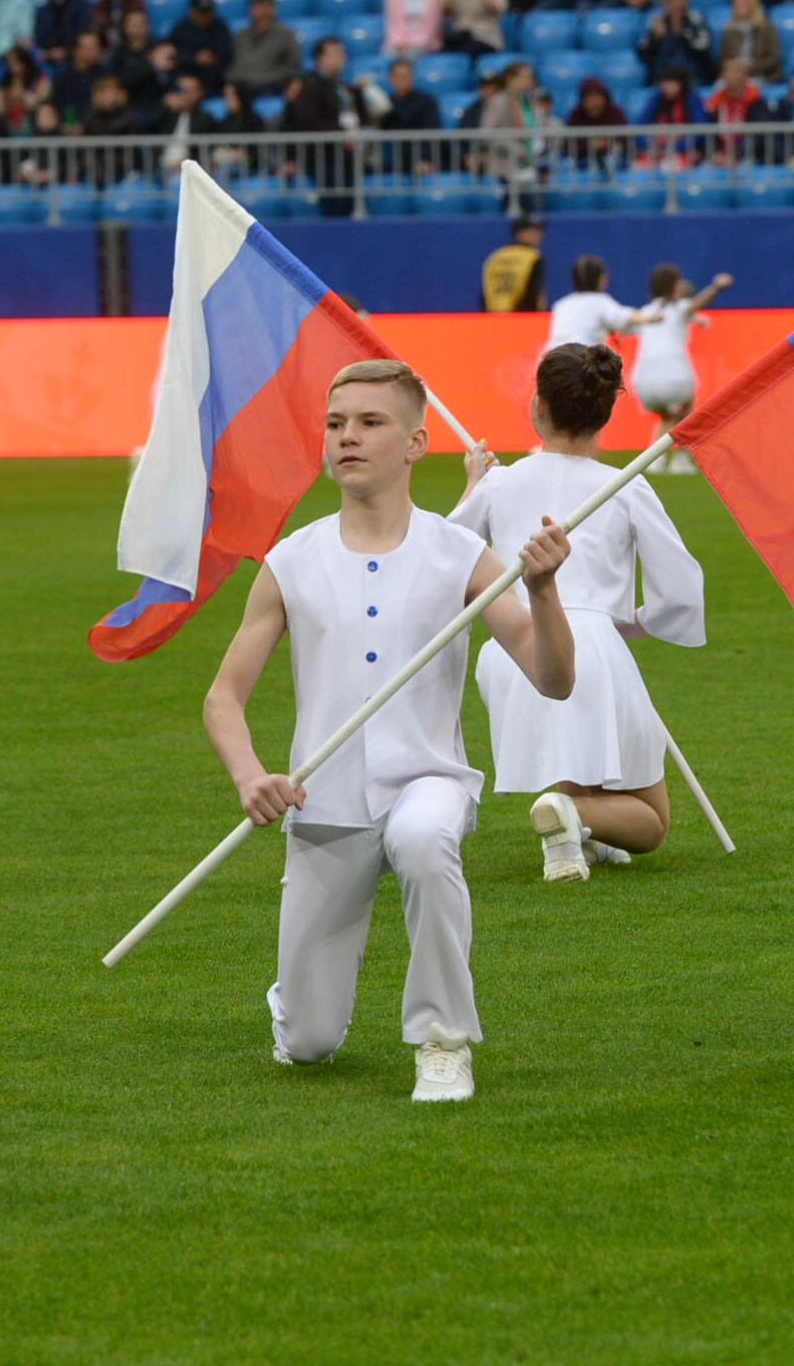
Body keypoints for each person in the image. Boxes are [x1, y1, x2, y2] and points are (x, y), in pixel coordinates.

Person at [202, 360, 577, 1102]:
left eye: (370, 423)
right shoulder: (291, 561)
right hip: (324, 803)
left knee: (423, 839)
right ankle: (297, 1006)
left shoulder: (461, 555)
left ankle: (443, 1041)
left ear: (415, 443)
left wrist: (543, 591)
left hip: (427, 780)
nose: (348, 437)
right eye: (337, 423)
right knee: (308, 1045)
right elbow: (222, 698)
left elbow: (553, 677)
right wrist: (251, 776)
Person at [450, 344, 703, 880]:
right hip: (589, 644)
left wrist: (474, 483)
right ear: (605, 412)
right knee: (653, 822)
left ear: (536, 406)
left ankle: (570, 839)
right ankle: (574, 812)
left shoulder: (499, 483)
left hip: (513, 651)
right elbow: (680, 595)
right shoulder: (626, 485)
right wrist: (622, 624)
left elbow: (442, 557)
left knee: (579, 756)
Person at [625, 263, 732, 468]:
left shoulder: (647, 310)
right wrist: (716, 287)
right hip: (674, 376)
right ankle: (681, 459)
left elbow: (628, 328)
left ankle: (654, 460)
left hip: (642, 381)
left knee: (668, 417)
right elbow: (696, 304)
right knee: (687, 404)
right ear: (672, 287)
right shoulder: (680, 307)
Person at [544, 255, 638, 352]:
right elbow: (627, 317)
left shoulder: (561, 305)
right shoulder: (600, 301)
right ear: (599, 278)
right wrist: (649, 316)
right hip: (581, 360)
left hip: (552, 360)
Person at [481, 216, 545, 311]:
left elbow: (484, 296)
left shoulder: (495, 257)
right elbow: (532, 295)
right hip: (523, 319)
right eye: (532, 231)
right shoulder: (532, 257)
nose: (539, 235)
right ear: (519, 233)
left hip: (493, 318)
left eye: (539, 231)